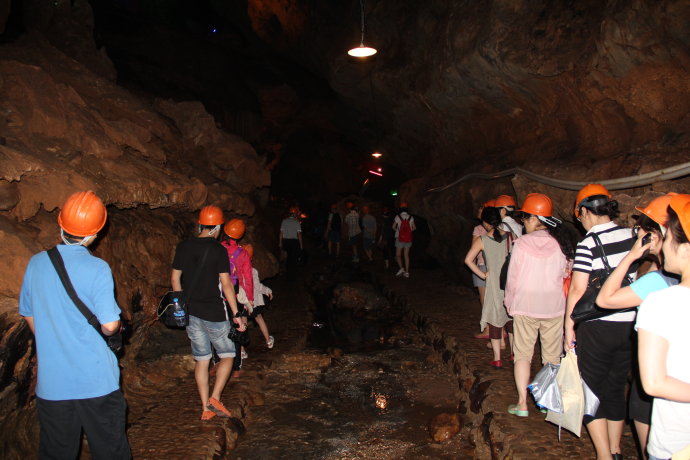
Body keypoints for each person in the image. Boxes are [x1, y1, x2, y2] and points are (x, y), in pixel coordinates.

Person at [19, 190, 131, 459]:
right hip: (96, 382)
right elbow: (110, 325)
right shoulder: (98, 268)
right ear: (96, 233)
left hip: (53, 385)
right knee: (110, 450)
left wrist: (55, 337)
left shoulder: (36, 264)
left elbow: (28, 313)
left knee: (58, 453)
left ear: (61, 224)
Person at [596, 193, 679, 455]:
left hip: (661, 392)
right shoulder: (669, 279)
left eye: (640, 228)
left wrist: (631, 257)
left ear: (654, 235)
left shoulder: (656, 284)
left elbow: (605, 299)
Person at [564, 184, 636, 460]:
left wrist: (569, 326)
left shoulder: (588, 243)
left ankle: (604, 455)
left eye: (579, 215)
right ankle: (617, 450)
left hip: (598, 325)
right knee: (617, 386)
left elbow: (577, 289)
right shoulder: (632, 235)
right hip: (630, 324)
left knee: (590, 389)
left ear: (583, 211)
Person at [171, 205, 246, 421]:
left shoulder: (184, 246)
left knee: (202, 360)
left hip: (191, 311)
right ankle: (215, 398)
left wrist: (180, 304)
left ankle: (205, 407)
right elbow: (226, 285)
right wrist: (236, 313)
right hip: (214, 311)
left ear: (201, 224)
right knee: (228, 355)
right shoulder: (218, 250)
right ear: (218, 227)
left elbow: (175, 278)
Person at [503, 193, 573, 417]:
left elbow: (512, 278)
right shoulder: (560, 244)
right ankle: (547, 402)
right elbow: (566, 273)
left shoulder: (521, 243)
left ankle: (522, 403)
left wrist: (509, 303)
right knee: (551, 357)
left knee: (523, 355)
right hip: (553, 307)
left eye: (525, 218)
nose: (524, 222)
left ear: (534, 219)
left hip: (525, 305)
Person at [636, 193, 690, 460]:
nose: (663, 244)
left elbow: (655, 382)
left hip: (675, 444)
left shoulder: (661, 303)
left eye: (667, 238)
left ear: (685, 249)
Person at [464, 206, 513, 367]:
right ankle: (513, 353)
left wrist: (483, 274)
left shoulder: (482, 239)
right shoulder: (510, 237)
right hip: (510, 282)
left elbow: (468, 260)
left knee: (494, 319)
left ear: (485, 223)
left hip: (493, 284)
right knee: (511, 318)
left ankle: (497, 358)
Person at [221, 218, 252, 368]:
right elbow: (248, 278)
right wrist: (250, 299)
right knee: (237, 328)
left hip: (218, 293)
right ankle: (236, 363)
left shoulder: (217, 248)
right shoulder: (243, 254)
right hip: (235, 294)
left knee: (219, 327)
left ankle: (219, 360)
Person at [242, 244, 275, 349]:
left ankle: (241, 350)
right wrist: (267, 290)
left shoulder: (237, 271)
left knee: (243, 323)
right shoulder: (253, 271)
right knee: (259, 318)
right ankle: (268, 341)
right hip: (253, 302)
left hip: (242, 303)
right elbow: (257, 286)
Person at [472, 199, 494, 340]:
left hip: (482, 265)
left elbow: (473, 249)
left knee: (484, 299)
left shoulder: (478, 230)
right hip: (496, 266)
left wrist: (473, 265)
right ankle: (499, 329)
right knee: (496, 299)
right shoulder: (499, 229)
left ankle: (487, 329)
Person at [279, 207, 303, 278]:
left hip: (286, 242)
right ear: (295, 214)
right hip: (294, 242)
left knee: (287, 258)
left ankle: (287, 273)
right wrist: (301, 246)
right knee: (293, 258)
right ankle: (292, 274)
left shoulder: (284, 221)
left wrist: (280, 242)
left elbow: (281, 233)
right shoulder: (297, 222)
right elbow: (299, 235)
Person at [393, 202, 416, 278]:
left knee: (398, 255)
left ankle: (401, 268)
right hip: (408, 239)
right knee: (406, 255)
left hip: (399, 238)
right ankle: (407, 272)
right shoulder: (410, 217)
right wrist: (407, 232)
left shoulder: (397, 217)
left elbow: (393, 227)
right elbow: (414, 228)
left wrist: (399, 231)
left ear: (400, 209)